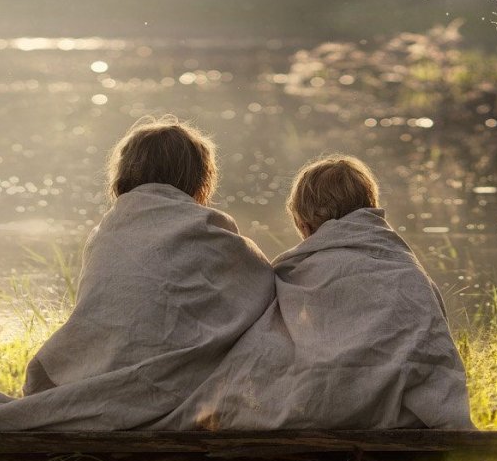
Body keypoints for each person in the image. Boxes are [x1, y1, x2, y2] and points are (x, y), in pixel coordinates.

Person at [0, 117, 276, 432]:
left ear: (127, 173)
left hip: (102, 373)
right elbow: (264, 292)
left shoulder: (109, 230)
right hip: (181, 387)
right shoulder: (210, 229)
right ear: (198, 177)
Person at [158, 154, 473, 430]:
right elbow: (433, 357)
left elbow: (259, 349)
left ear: (304, 223)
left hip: (311, 417)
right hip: (393, 420)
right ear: (370, 209)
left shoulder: (294, 274)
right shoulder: (406, 272)